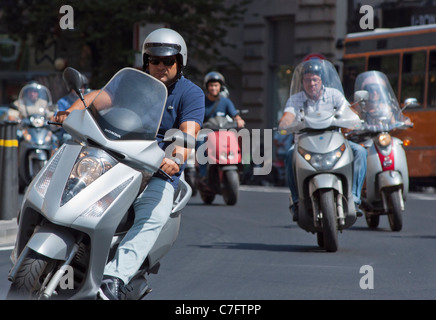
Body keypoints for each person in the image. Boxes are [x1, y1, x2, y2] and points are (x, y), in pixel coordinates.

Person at [54, 28, 205, 300]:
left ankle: (113, 279)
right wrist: (70, 113)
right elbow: (98, 98)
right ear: (146, 61)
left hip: (157, 169)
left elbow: (188, 131)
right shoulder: (131, 82)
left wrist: (176, 158)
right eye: (154, 60)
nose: (160, 66)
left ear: (179, 63)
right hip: (113, 157)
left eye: (168, 61)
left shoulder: (190, 93)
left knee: (153, 216)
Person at [279, 59, 366, 221]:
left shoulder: (334, 95)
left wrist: (354, 120)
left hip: (334, 140)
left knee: (360, 151)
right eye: (307, 80)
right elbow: (287, 117)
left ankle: (354, 198)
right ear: (303, 81)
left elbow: (349, 113)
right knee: (290, 155)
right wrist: (286, 123)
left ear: (321, 81)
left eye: (314, 80)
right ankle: (297, 201)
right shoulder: (295, 99)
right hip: (304, 143)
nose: (311, 83)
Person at [196, 71, 245, 183]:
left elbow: (235, 115)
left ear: (220, 87)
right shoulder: (201, 101)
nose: (213, 88)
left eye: (216, 85)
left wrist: (239, 120)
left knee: (235, 139)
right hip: (207, 131)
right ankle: (203, 174)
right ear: (207, 87)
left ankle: (238, 164)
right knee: (200, 142)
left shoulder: (226, 102)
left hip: (222, 132)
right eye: (211, 85)